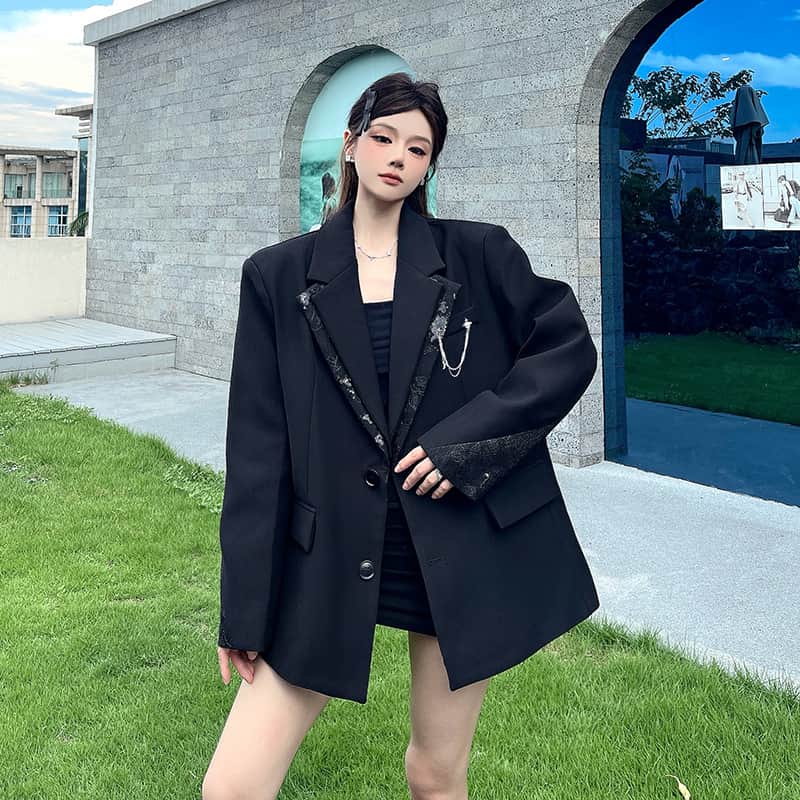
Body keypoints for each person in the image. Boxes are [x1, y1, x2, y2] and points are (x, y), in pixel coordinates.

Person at [202, 72, 599, 800]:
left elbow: (566, 348)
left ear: (429, 167)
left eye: (418, 149)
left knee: (435, 773)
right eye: (383, 138)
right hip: (328, 551)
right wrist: (245, 608)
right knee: (232, 787)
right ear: (351, 144)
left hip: (453, 544)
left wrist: (464, 447)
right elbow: (257, 452)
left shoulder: (480, 254)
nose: (398, 157)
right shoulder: (277, 277)